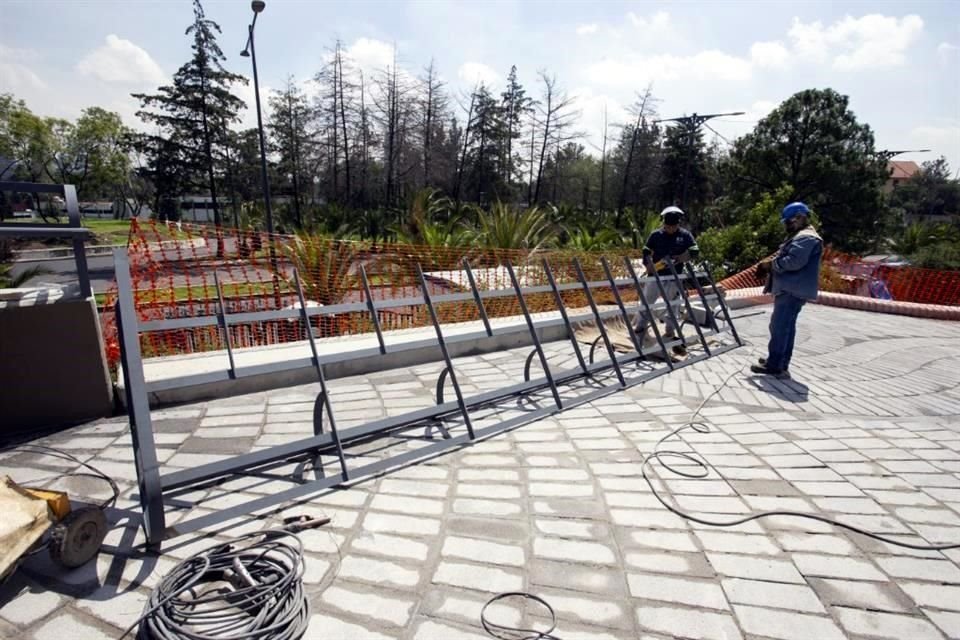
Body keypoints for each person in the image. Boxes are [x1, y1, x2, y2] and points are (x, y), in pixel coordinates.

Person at [752, 201, 823, 378]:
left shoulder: (806, 237)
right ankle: (779, 361)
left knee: (779, 326)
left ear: (800, 217)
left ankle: (775, 365)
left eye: (789, 222)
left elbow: (794, 261)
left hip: (792, 290)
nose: (787, 226)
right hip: (792, 289)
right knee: (786, 327)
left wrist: (771, 265)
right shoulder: (802, 235)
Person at [636, 206, 699, 356]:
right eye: (667, 226)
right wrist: (648, 263)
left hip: (674, 276)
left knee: (673, 304)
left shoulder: (685, 235)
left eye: (673, 226)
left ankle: (670, 329)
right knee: (647, 301)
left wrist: (683, 257)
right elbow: (646, 250)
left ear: (678, 224)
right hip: (656, 275)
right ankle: (641, 325)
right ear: (664, 224)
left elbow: (695, 249)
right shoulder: (656, 235)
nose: (670, 229)